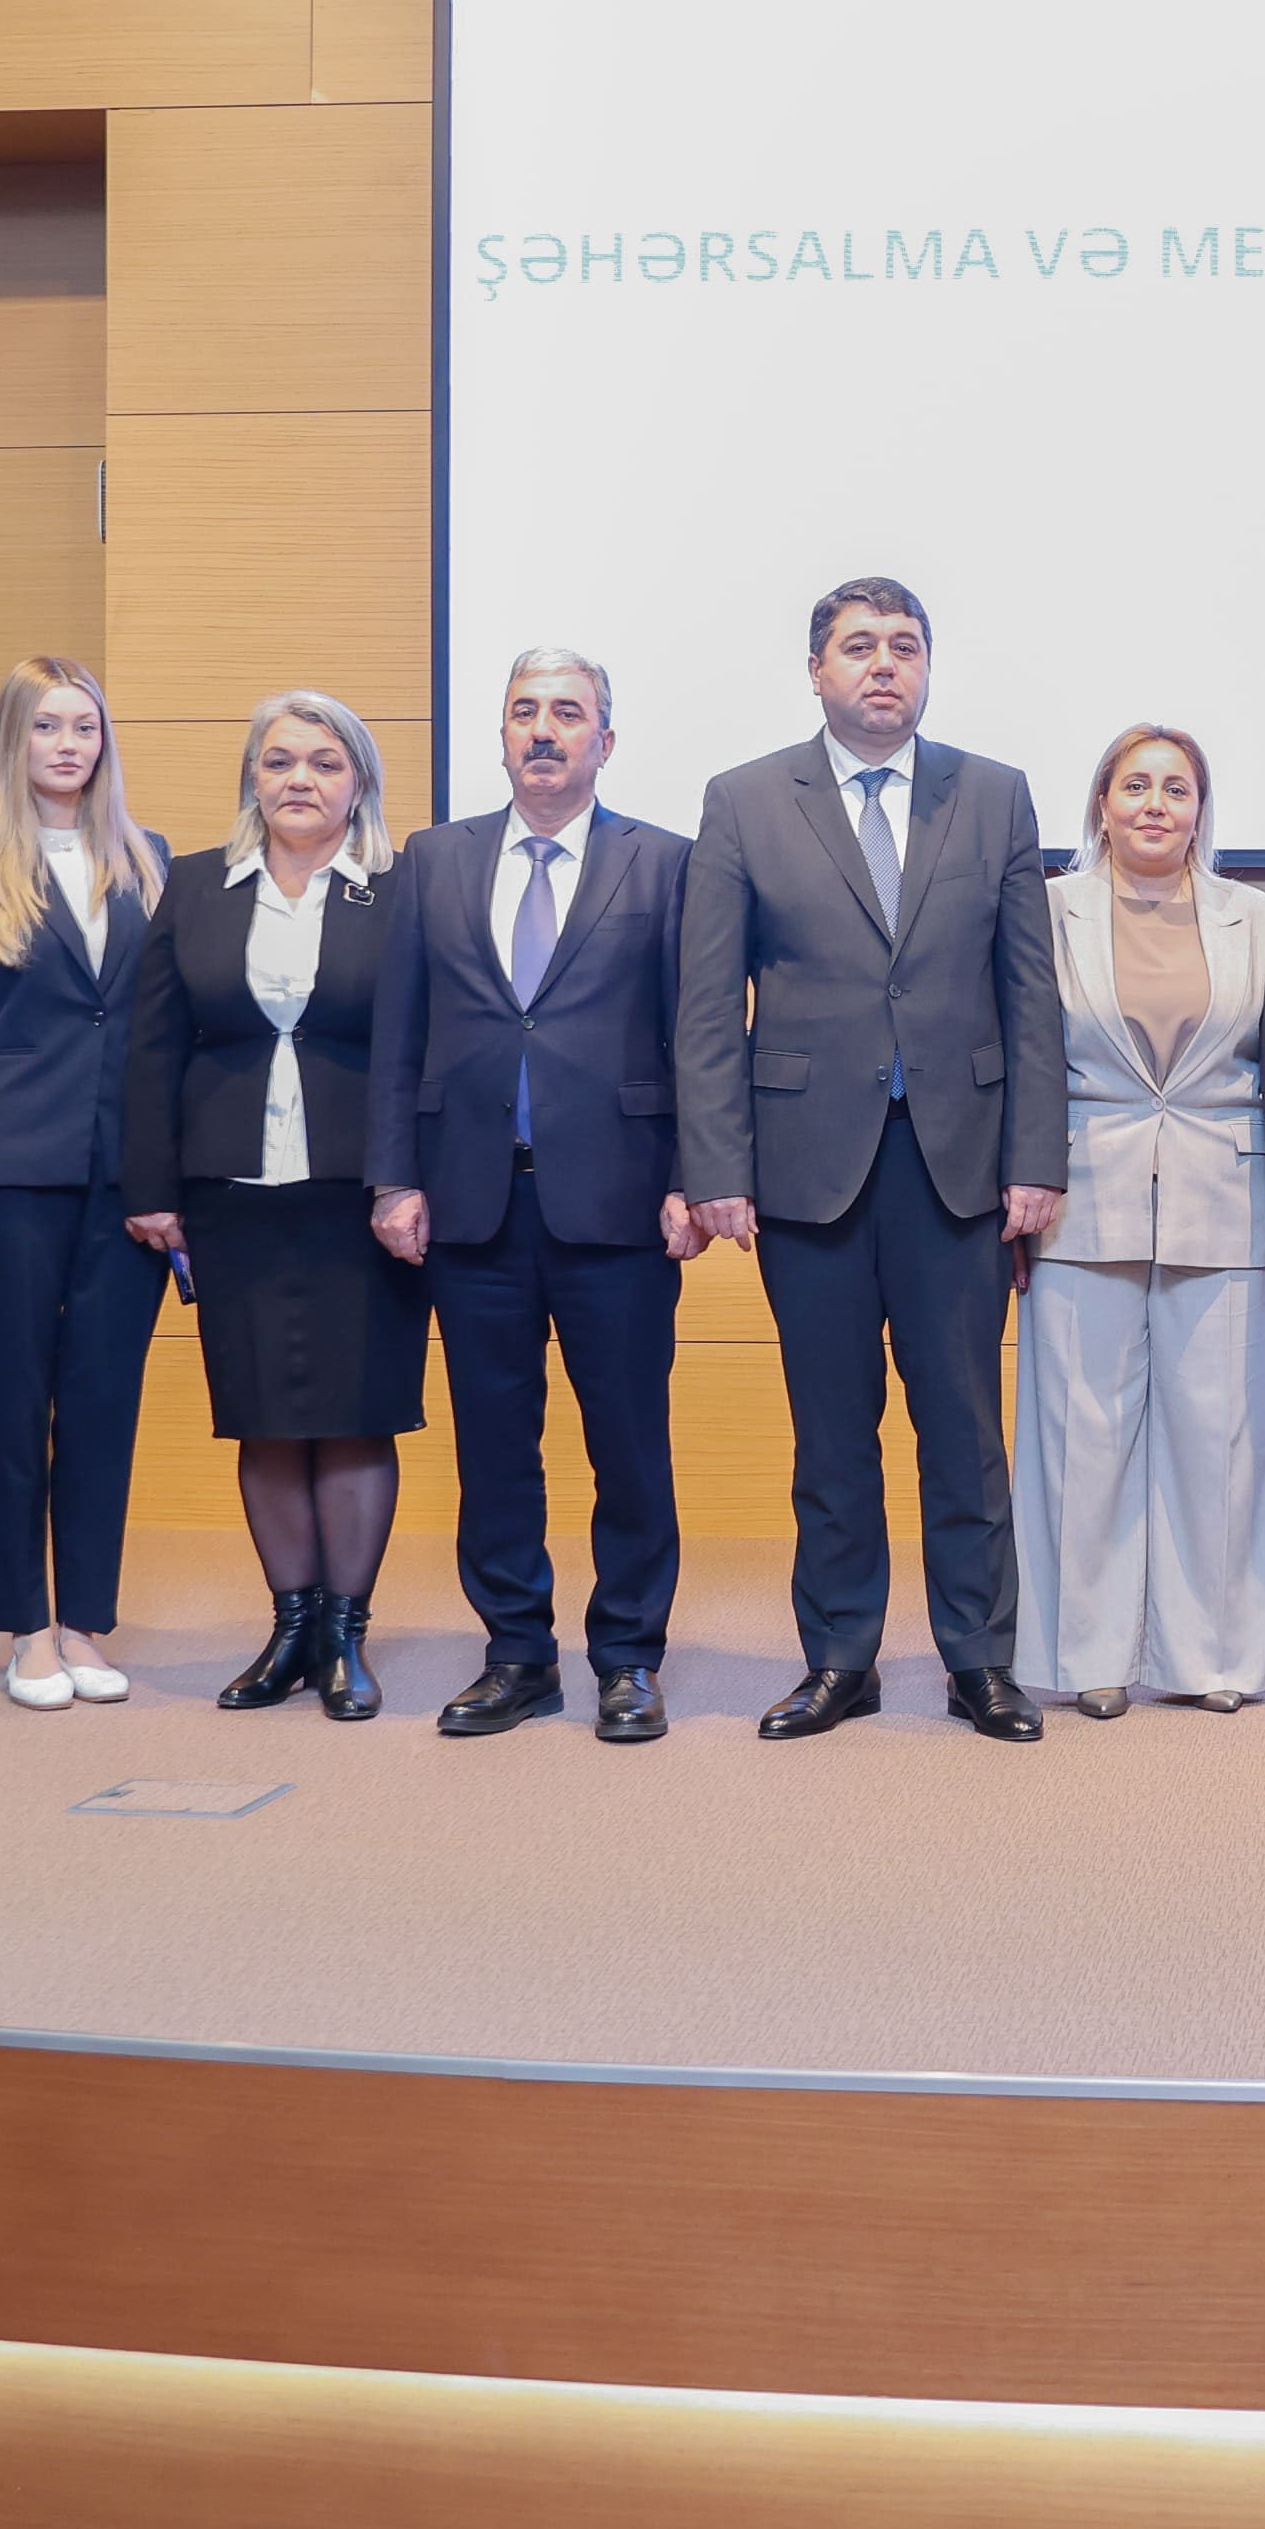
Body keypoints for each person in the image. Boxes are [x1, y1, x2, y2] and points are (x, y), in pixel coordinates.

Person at [677, 579, 1066, 1745]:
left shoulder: (992, 794)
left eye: (904, 645)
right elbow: (709, 1005)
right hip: (806, 1170)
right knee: (833, 1435)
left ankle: (980, 1661)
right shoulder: (745, 800)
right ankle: (840, 1657)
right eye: (859, 646)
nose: (884, 664)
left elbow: (1029, 994)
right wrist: (716, 1166)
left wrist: (1035, 1158)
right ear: (817, 670)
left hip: (960, 1167)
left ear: (928, 667)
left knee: (965, 1432)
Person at [379, 647, 697, 1745]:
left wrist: (693, 1178)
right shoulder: (435, 858)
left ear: (606, 739)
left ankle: (629, 1657)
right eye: (526, 711)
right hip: (471, 1202)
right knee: (493, 1447)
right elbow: (400, 1034)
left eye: (569, 712)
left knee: (629, 1444)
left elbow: (694, 1036)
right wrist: (394, 1176)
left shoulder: (665, 863)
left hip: (620, 1202)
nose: (545, 730)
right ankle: (516, 1652)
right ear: (503, 735)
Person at [130, 692, 429, 1722]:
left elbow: (429, 1043)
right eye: (280, 761)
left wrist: (411, 1177)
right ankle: (290, 1626)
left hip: (365, 1195)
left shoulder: (401, 887)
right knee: (261, 1416)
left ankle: (345, 1634)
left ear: (360, 784)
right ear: (252, 779)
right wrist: (151, 1189)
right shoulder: (196, 884)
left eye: (325, 762)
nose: (301, 779)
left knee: (355, 1416)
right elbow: (153, 1045)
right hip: (231, 1192)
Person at [1012, 720, 1265, 1718]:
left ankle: (1213, 1655)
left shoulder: (1256, 918)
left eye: (1177, 788)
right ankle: (1087, 1653)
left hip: (1226, 1194)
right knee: (1079, 1436)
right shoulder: (1047, 912)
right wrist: (1016, 1188)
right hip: (1078, 1197)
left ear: (1200, 810)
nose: (1156, 805)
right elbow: (1019, 1056)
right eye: (1136, 785)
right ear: (1101, 802)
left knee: (1220, 1441)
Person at [0, 655, 170, 1712]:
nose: (68, 745)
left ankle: (85, 1622)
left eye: (84, 727)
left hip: (127, 1180)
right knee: (19, 1403)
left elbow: (160, 1031)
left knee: (105, 1403)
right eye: (46, 726)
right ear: (12, 739)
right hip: (12, 1176)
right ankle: (26, 1625)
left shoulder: (149, 857)